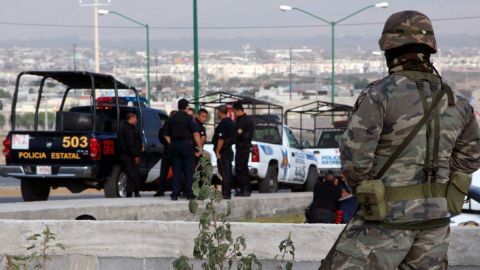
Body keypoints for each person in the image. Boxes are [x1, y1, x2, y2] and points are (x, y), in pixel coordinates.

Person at [327, 11, 480, 269]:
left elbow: (354, 160)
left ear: (389, 50)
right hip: (435, 224)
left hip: (384, 222)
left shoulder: (379, 95)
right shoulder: (457, 102)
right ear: (428, 49)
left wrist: (370, 193)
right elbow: (470, 158)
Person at [164, 99, 202, 201]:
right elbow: (196, 134)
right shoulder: (189, 118)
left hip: (174, 145)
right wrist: (200, 147)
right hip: (186, 144)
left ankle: (175, 194)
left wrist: (172, 143)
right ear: (186, 107)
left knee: (176, 170)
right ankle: (189, 193)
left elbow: (166, 135)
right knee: (189, 170)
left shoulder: (172, 118)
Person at [213, 105, 236, 199]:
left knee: (224, 173)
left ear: (220, 112)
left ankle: (225, 193)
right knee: (228, 172)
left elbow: (221, 139)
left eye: (218, 111)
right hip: (229, 150)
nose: (217, 113)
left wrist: (218, 151)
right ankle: (227, 192)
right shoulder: (231, 123)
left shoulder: (223, 124)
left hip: (223, 151)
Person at [118, 112, 143, 198]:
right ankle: (129, 193)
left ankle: (136, 192)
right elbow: (130, 144)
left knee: (134, 174)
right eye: (136, 118)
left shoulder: (126, 127)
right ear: (131, 118)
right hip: (129, 156)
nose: (136, 120)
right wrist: (135, 155)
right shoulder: (128, 129)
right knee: (132, 174)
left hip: (127, 155)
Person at [233, 101, 254, 197]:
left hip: (243, 147)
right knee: (240, 168)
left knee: (241, 168)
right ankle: (243, 188)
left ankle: (245, 189)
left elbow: (241, 134)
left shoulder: (245, 121)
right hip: (240, 147)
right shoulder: (240, 120)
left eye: (234, 112)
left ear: (238, 110)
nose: (234, 114)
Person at [154, 110, 177, 197]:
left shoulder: (167, 124)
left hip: (168, 150)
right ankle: (176, 190)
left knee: (164, 171)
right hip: (174, 150)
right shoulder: (178, 124)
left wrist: (167, 144)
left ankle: (161, 190)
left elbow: (162, 135)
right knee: (177, 171)